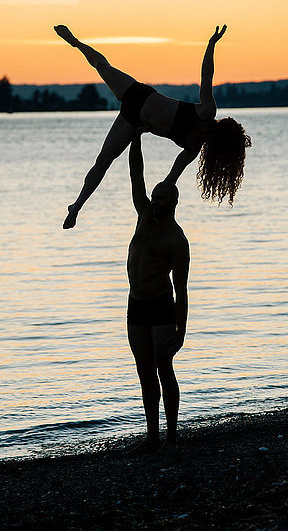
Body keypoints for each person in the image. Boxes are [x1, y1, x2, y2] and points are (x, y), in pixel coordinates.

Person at [54, 24, 251, 229]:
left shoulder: (192, 148)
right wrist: (211, 45)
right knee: (102, 66)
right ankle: (74, 41)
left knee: (104, 161)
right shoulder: (207, 111)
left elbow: (170, 179)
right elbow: (206, 76)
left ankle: (76, 207)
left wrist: (158, 212)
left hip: (133, 122)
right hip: (139, 95)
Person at [125, 130, 190, 453]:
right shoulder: (143, 216)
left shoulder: (176, 240)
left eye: (161, 199)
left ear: (174, 203)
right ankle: (152, 436)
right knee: (144, 371)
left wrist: (181, 331)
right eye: (154, 197)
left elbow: (182, 289)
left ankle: (172, 434)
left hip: (162, 306)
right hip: (135, 305)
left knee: (164, 368)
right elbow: (136, 173)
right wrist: (134, 135)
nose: (155, 202)